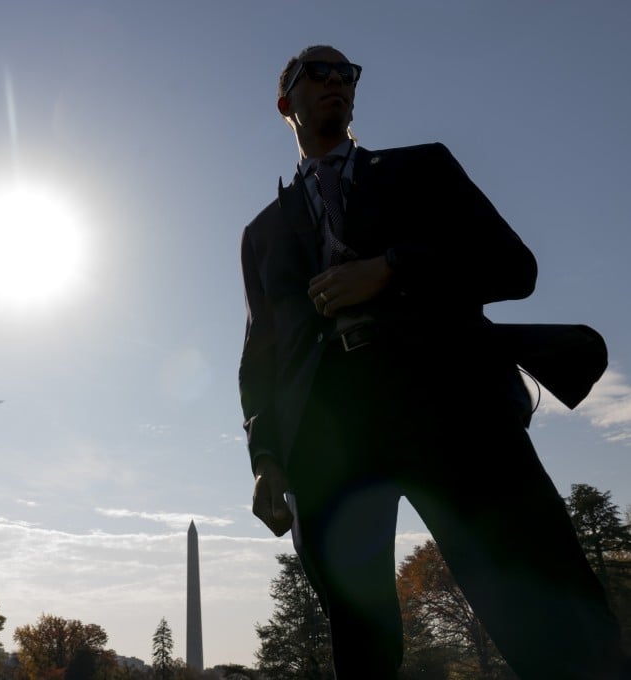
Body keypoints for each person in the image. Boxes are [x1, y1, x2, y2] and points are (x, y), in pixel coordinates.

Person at [238, 44, 631, 678]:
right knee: (361, 648)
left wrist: (391, 269)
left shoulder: (422, 169)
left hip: (450, 405)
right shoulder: (262, 233)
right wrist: (265, 456)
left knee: (549, 611)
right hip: (327, 439)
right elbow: (259, 355)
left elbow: (513, 266)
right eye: (320, 72)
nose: (338, 81)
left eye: (348, 74)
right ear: (286, 103)